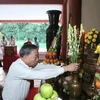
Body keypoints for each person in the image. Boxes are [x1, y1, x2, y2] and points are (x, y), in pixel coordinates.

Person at [2, 44, 78, 100]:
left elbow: (44, 67)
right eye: (35, 56)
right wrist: (65, 69)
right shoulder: (17, 67)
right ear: (25, 57)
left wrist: (61, 67)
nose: (37, 59)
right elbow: (40, 74)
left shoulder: (28, 64)